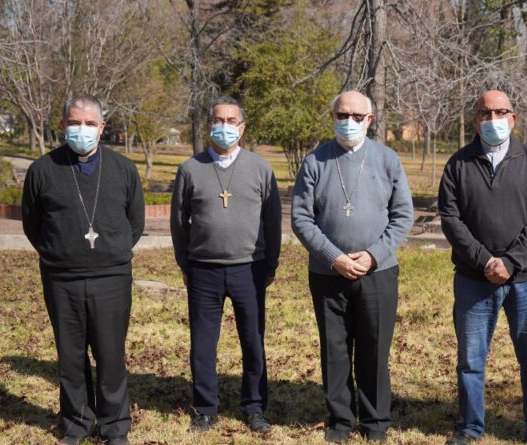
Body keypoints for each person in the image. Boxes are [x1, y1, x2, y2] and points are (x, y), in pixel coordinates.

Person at [291, 90, 413, 444]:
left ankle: (375, 422)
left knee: (375, 348)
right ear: (332, 117)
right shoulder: (315, 161)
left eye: (357, 117)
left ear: (370, 120)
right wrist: (335, 257)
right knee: (335, 347)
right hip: (328, 273)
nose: (349, 122)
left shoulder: (387, 159)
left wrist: (373, 255)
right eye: (342, 115)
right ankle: (340, 420)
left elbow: (403, 215)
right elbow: (301, 217)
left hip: (378, 271)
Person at [22, 94, 144, 445]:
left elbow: (134, 223)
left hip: (112, 278)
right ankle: (76, 424)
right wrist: (59, 252)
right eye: (75, 122)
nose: (82, 129)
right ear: (62, 125)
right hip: (62, 279)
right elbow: (33, 224)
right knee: (71, 357)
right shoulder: (42, 170)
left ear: (102, 128)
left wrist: (111, 252)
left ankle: (114, 425)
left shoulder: (123, 169)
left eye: (90, 124)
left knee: (110, 355)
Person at [439, 90, 527, 445]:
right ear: (476, 119)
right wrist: (484, 260)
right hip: (474, 279)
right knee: (471, 360)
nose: (493, 120)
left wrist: (509, 261)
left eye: (500, 112)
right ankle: (471, 427)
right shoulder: (458, 164)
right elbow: (451, 218)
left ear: (513, 118)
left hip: (525, 279)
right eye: (486, 113)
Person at [170, 96, 281, 434]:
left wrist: (271, 263)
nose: (224, 127)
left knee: (252, 340)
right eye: (218, 120)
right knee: (203, 343)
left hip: (250, 267)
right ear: (209, 125)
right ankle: (205, 409)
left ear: (242, 127)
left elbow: (273, 220)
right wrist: (186, 264)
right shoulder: (190, 169)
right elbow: (178, 223)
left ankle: (254, 407)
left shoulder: (260, 169)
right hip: (204, 269)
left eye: (231, 121)